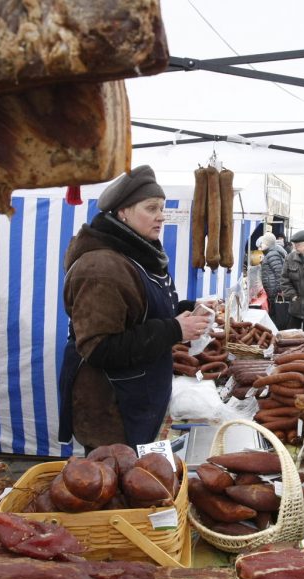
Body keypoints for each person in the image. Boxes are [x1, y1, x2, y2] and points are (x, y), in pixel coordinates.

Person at [59, 166, 210, 451]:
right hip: (112, 409)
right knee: (111, 486)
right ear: (122, 212)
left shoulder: (136, 255)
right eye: (151, 208)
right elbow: (100, 347)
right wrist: (175, 329)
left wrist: (192, 308)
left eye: (162, 208)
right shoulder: (101, 268)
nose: (161, 216)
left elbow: (141, 313)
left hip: (139, 396)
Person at [280, 229, 304, 329]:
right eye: (294, 244)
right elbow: (284, 279)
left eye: (298, 245)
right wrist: (292, 295)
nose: (295, 247)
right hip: (295, 307)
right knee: (291, 337)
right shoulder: (290, 258)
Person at [257, 232, 287, 303]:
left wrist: (279, 291)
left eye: (263, 243)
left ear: (268, 244)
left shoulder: (272, 254)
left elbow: (279, 273)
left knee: (275, 311)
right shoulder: (270, 254)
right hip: (272, 289)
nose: (261, 245)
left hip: (274, 291)